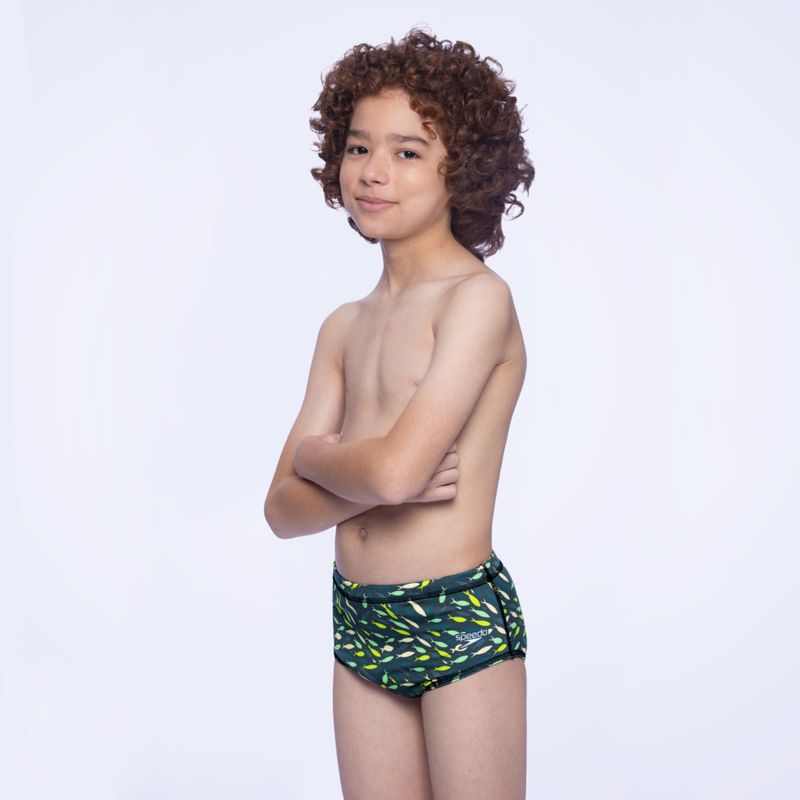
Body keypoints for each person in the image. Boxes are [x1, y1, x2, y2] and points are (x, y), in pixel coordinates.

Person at [264, 26, 535, 800]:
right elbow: (281, 510)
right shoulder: (344, 327)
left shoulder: (477, 301)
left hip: (457, 617)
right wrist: (363, 473)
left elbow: (393, 473)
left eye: (408, 152)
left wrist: (320, 456)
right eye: (359, 147)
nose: (374, 172)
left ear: (464, 169)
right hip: (360, 619)